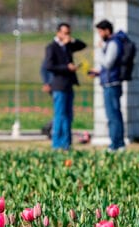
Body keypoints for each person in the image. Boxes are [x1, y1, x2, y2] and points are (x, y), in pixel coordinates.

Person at [44, 22, 86, 150]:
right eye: (65, 33)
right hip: (59, 85)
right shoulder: (52, 47)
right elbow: (49, 66)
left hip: (68, 85)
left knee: (68, 116)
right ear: (58, 33)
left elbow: (82, 45)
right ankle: (57, 144)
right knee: (60, 116)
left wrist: (71, 40)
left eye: (69, 33)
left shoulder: (68, 46)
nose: (67, 35)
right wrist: (66, 67)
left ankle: (67, 144)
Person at [91, 19, 126, 151]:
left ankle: (116, 144)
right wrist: (99, 73)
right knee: (113, 114)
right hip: (109, 82)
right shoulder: (111, 43)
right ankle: (118, 143)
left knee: (113, 115)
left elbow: (108, 63)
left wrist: (99, 50)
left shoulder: (113, 44)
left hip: (112, 84)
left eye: (100, 31)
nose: (99, 34)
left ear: (107, 31)